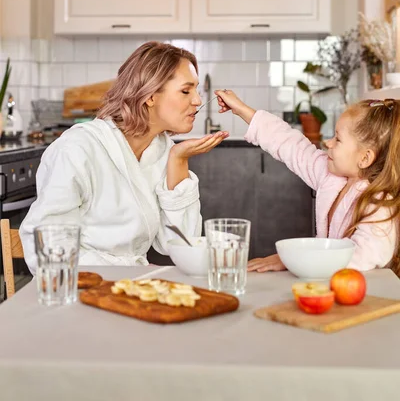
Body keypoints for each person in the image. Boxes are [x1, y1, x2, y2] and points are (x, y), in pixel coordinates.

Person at [20, 42, 228, 272]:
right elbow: (47, 243)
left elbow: (181, 242)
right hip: (82, 288)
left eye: (197, 90)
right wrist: (120, 277)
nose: (198, 100)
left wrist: (178, 161)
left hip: (131, 284)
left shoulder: (163, 151)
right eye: (186, 91)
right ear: (150, 96)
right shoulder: (78, 149)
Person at [214, 89, 400, 274]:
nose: (328, 142)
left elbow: (363, 255)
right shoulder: (332, 177)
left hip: (368, 298)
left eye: (338, 139)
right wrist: (241, 109)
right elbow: (290, 144)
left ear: (365, 158)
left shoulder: (380, 203)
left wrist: (292, 258)